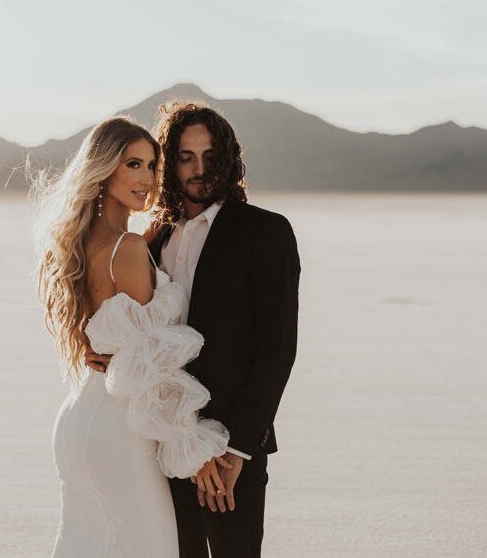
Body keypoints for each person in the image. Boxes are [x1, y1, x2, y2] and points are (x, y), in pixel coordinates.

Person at [87, 102, 301, 558]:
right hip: (159, 441)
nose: (200, 169)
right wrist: (109, 358)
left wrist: (237, 449)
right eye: (186, 157)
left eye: (209, 156)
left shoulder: (265, 232)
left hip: (227, 454)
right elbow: (138, 331)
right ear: (170, 163)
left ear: (227, 158)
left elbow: (277, 350)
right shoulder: (156, 239)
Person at [33, 117, 235, 558]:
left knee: (83, 543)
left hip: (77, 418)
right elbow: (153, 365)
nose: (147, 179)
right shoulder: (126, 248)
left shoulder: (83, 240)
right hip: (121, 428)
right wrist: (192, 448)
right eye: (134, 164)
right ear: (105, 169)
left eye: (152, 166)